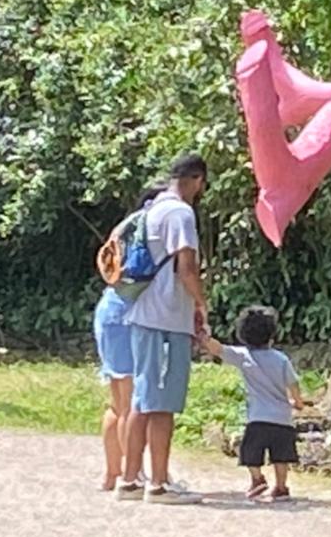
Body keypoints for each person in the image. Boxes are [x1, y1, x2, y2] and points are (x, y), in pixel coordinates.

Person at [114, 153, 210, 505]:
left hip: (141, 313)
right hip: (167, 318)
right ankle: (158, 484)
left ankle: (130, 480)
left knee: (142, 397)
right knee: (163, 403)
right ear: (197, 179)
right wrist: (201, 304)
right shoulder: (181, 213)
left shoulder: (151, 209)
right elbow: (187, 268)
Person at [94, 185, 163, 490]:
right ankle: (132, 477)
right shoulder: (157, 227)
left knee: (117, 401)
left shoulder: (127, 225)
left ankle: (112, 474)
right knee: (132, 403)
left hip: (109, 309)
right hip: (129, 316)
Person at [198, 305, 304, 502]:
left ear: (243, 334)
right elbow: (293, 383)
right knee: (281, 455)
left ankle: (258, 479)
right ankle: (281, 487)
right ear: (272, 334)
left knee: (250, 452)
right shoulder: (281, 359)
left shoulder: (243, 356)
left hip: (258, 417)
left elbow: (217, 348)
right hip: (283, 417)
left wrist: (202, 334)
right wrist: (297, 402)